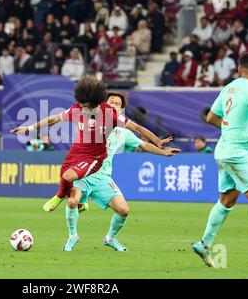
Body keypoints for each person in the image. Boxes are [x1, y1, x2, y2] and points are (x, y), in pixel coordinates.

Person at [11, 76, 173, 213]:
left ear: (95, 102)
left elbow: (138, 130)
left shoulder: (111, 116)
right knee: (64, 176)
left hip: (95, 159)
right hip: (78, 152)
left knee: (70, 178)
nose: (80, 106)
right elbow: (53, 119)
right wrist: (29, 127)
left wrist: (158, 142)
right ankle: (78, 204)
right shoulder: (77, 108)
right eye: (80, 102)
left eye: (84, 103)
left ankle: (61, 197)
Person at [192, 52, 248, 270]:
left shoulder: (228, 88)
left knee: (227, 199)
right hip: (237, 152)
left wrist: (228, 127)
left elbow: (210, 117)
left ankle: (205, 243)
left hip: (222, 150)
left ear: (239, 70)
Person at [63, 92, 180, 251]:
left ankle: (110, 238)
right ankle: (72, 236)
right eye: (110, 101)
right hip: (83, 173)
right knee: (72, 201)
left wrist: (164, 152)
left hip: (103, 178)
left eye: (117, 104)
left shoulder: (123, 133)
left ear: (121, 109)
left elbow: (144, 145)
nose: (113, 105)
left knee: (124, 210)